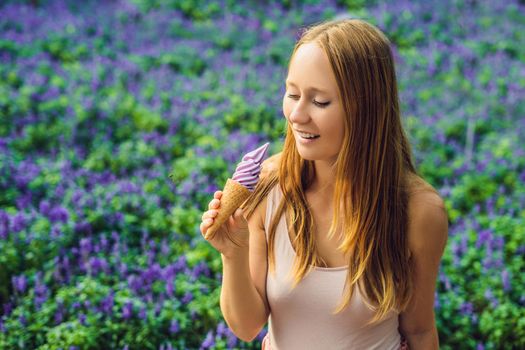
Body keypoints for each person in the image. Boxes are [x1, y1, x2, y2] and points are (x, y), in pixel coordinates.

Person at [200, 18, 448, 350]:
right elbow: (246, 327)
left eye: (319, 102)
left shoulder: (419, 212)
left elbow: (418, 330)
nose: (296, 115)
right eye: (292, 94)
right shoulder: (268, 188)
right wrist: (233, 253)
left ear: (367, 110)